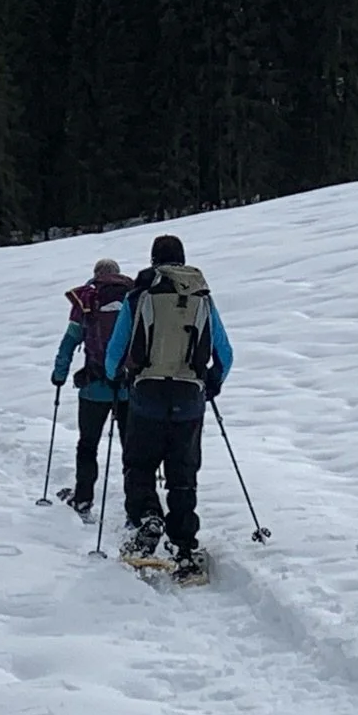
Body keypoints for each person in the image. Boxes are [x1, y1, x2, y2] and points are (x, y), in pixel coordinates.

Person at [107, 233, 231, 582]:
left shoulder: (140, 295)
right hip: (189, 397)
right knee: (183, 474)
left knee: (140, 464)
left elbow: (116, 352)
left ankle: (148, 519)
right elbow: (225, 353)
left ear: (153, 260)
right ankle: (185, 548)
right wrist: (212, 383)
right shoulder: (202, 296)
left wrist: (117, 378)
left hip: (147, 394)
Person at [49, 258, 133, 517]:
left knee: (88, 444)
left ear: (96, 274)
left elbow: (69, 342)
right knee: (132, 448)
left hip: (94, 388)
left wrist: (59, 375)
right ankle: (136, 504)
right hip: (128, 388)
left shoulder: (87, 299)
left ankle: (84, 497)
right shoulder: (133, 297)